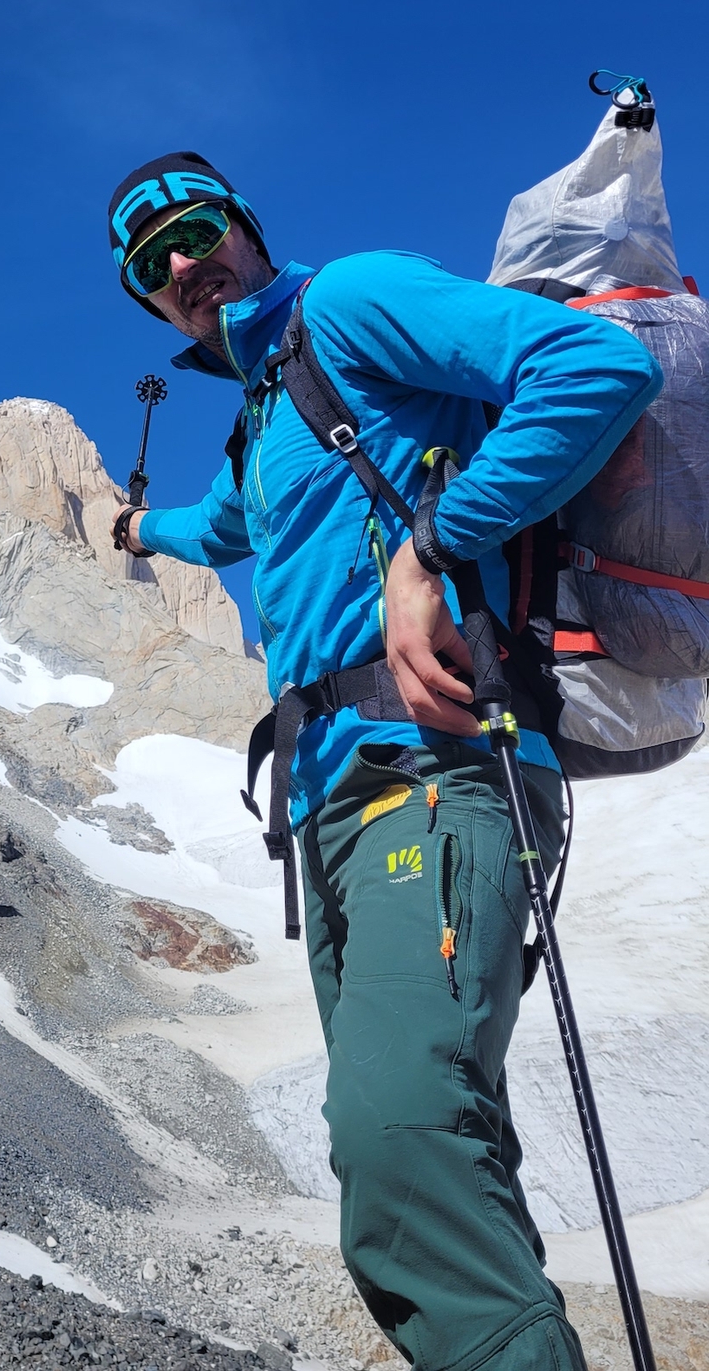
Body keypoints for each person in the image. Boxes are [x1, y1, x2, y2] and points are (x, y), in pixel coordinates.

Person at [106, 151, 661, 1371]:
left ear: (244, 226)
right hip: (332, 811)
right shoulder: (262, 416)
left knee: (397, 1134)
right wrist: (136, 526)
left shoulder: (348, 301)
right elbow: (228, 527)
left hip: (438, 766)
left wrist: (429, 545)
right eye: (152, 266)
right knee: (438, 1144)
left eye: (195, 232)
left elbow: (596, 367)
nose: (183, 266)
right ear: (149, 300)